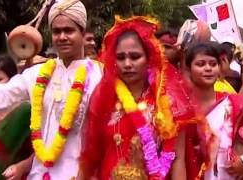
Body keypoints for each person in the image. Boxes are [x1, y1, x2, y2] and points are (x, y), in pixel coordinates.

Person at [0, 0, 103, 179]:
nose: (62, 37)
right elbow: (0, 96)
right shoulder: (38, 73)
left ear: (82, 32)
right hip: (39, 173)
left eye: (69, 30)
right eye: (57, 31)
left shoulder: (100, 75)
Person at [80, 16, 194, 180]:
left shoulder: (168, 100)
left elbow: (177, 159)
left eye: (135, 57)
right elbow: (91, 156)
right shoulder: (103, 96)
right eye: (121, 57)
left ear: (148, 59)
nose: (127, 64)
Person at [174, 42, 243, 180]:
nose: (208, 68)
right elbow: (177, 158)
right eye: (200, 64)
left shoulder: (234, 104)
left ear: (219, 68)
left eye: (213, 64)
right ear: (188, 69)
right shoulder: (179, 108)